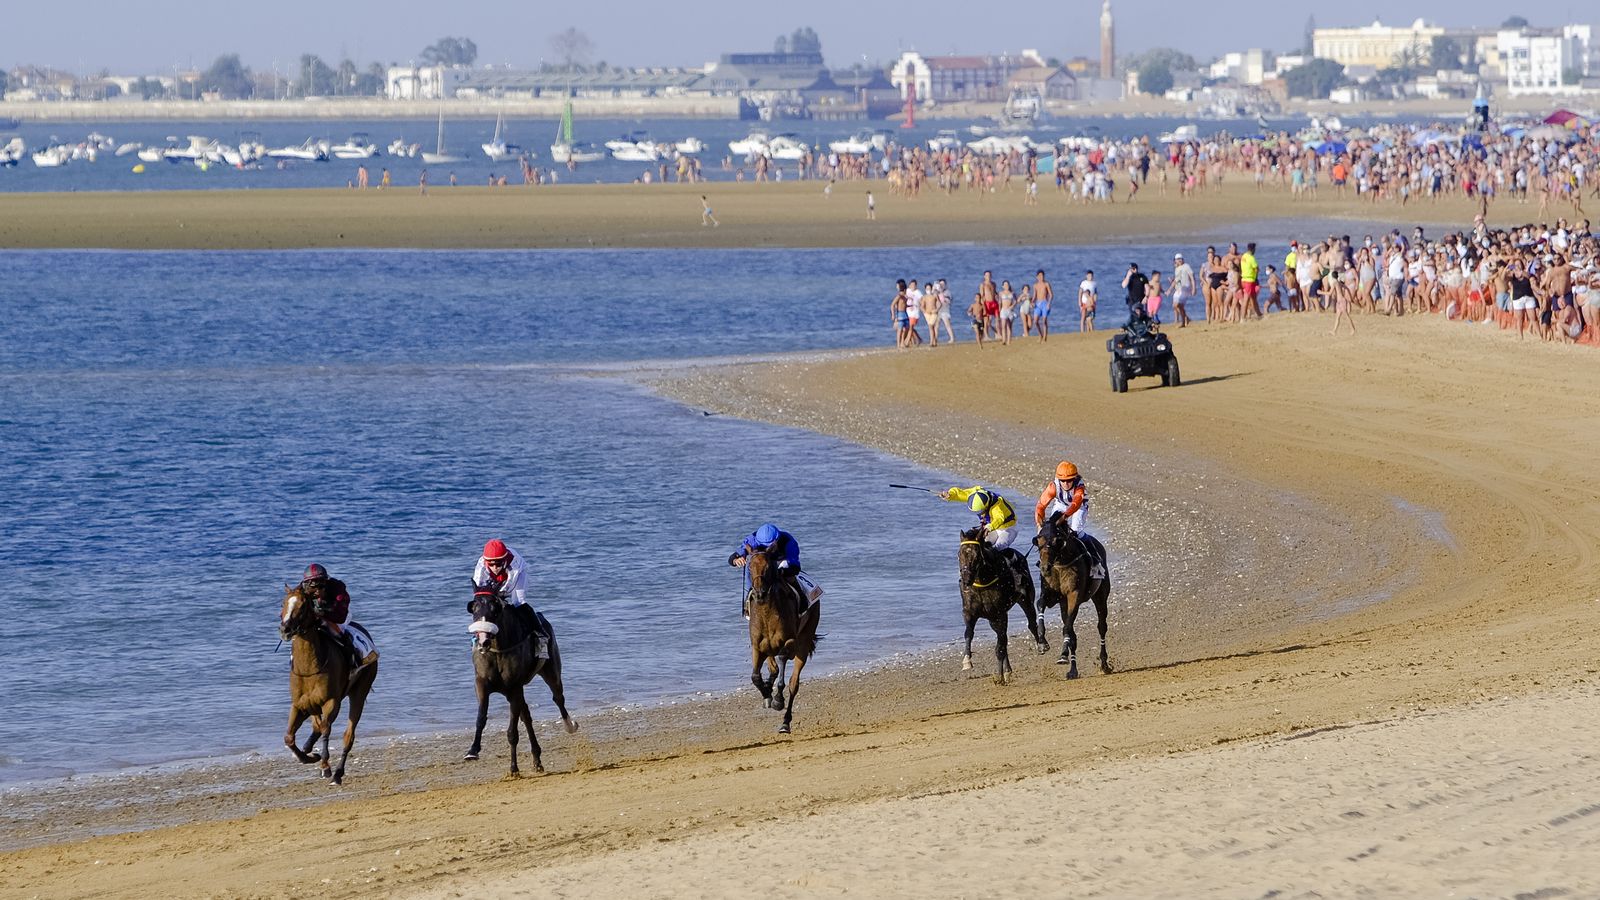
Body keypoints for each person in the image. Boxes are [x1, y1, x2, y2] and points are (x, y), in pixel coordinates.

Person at [472, 539, 548, 657]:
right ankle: (477, 637)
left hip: (518, 574)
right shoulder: (481, 566)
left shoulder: (514, 564)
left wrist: (497, 598)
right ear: (486, 562)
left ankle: (541, 636)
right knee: (482, 604)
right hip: (496, 577)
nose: (495, 568)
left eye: (498, 564)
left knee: (518, 602)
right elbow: (479, 591)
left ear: (504, 560)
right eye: (491, 564)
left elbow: (507, 588)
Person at [297, 563, 373, 670]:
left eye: (320, 585)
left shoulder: (337, 588)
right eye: (313, 586)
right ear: (306, 583)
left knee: (338, 633)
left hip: (338, 615)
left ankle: (352, 660)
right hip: (314, 616)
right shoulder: (301, 589)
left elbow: (341, 617)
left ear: (326, 581)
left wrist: (323, 611)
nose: (317, 589)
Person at [727, 523, 806, 618]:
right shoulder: (752, 539)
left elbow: (795, 567)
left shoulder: (788, 541)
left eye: (769, 546)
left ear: (777, 539)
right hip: (761, 564)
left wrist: (780, 572)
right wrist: (736, 560)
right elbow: (733, 557)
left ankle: (801, 597)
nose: (766, 548)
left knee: (787, 568)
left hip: (780, 562)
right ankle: (748, 600)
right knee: (750, 566)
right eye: (762, 545)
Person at [1034, 461, 1088, 546]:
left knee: (1076, 531)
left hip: (1079, 507)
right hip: (1061, 505)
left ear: (1074, 478)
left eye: (1069, 480)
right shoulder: (1053, 487)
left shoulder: (1079, 487)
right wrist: (1039, 525)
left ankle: (1092, 551)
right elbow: (1041, 506)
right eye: (1062, 481)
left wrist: (1064, 517)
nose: (1066, 484)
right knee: (1051, 528)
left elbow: (1075, 505)